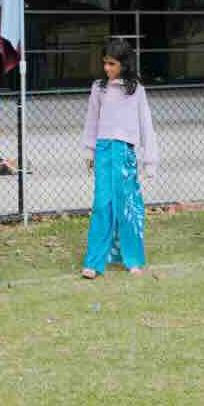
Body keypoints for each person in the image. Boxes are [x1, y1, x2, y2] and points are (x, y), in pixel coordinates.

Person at [79, 37, 155, 279]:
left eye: (112, 64)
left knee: (128, 205)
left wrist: (150, 161)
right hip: (103, 151)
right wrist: (89, 151)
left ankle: (133, 259)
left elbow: (146, 125)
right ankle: (94, 261)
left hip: (125, 153)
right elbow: (92, 121)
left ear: (124, 63)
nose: (107, 68)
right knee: (102, 204)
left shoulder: (137, 90)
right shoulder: (98, 88)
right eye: (105, 63)